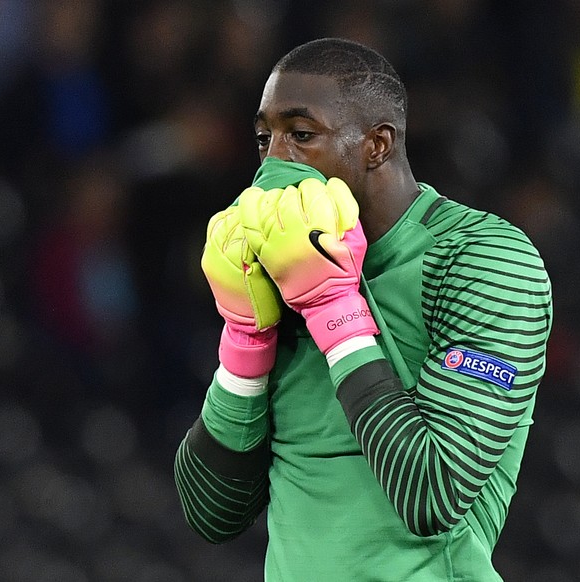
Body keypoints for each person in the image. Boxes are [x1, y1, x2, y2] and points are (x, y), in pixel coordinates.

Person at [173, 37, 553, 581]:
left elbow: (432, 492)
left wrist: (333, 310)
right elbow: (211, 513)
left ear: (377, 145)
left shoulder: (482, 258)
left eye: (301, 136)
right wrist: (244, 342)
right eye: (264, 139)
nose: (274, 164)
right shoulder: (278, 270)